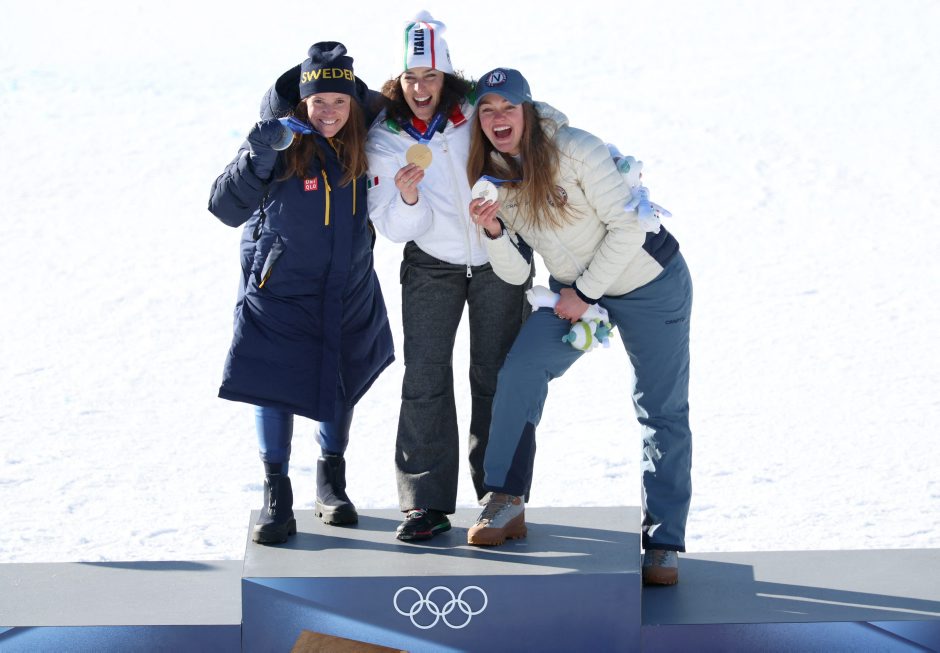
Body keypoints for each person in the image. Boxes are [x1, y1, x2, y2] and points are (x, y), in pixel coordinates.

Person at [465, 68, 693, 586]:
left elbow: (628, 227)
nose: (499, 119)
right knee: (521, 369)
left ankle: (663, 543)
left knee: (660, 408)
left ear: (528, 111)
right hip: (573, 293)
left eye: (508, 107)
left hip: (648, 282)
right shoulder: (492, 176)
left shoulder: (576, 149)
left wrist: (585, 293)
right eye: (487, 111)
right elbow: (516, 273)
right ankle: (505, 498)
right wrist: (494, 230)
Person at [207, 42, 395, 544]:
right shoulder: (279, 139)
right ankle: (277, 493)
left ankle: (331, 482)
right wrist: (258, 155)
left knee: (341, 376)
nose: (329, 111)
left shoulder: (365, 137)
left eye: (339, 101)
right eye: (318, 102)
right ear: (302, 102)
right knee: (275, 384)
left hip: (347, 284)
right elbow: (225, 207)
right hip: (280, 289)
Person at [366, 13, 531, 542]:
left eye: (431, 77)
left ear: (447, 76)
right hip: (431, 263)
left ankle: (501, 496)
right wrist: (409, 197)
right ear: (399, 80)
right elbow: (394, 227)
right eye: (411, 78)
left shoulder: (476, 110)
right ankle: (424, 503)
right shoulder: (385, 137)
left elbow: (532, 127)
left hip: (497, 255)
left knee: (497, 376)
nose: (420, 89)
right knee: (425, 377)